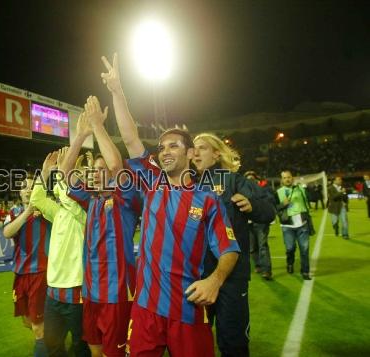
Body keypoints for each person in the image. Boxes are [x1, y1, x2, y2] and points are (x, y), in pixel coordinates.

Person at [101, 53, 240, 357]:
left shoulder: (207, 200)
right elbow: (130, 137)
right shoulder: (151, 182)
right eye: (162, 146)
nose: (164, 151)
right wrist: (117, 91)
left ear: (191, 153)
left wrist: (214, 280)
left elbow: (229, 249)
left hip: (188, 310)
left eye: (174, 146)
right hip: (146, 309)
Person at [65, 96, 141, 357]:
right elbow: (64, 175)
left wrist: (98, 126)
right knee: (96, 351)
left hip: (117, 294)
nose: (97, 172)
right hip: (91, 292)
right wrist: (81, 135)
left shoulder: (126, 197)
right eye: (94, 169)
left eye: (101, 169)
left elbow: (117, 165)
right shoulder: (91, 199)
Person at [192, 134, 276, 356]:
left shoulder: (233, 180)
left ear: (216, 153)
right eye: (194, 149)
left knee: (233, 342)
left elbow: (269, 212)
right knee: (194, 342)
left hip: (232, 277)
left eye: (202, 148)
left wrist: (252, 206)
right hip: (197, 277)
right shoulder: (187, 184)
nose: (196, 153)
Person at [30, 149, 90, 357]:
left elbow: (68, 197)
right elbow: (36, 200)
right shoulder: (58, 213)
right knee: (53, 345)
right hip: (53, 291)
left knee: (80, 346)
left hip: (77, 292)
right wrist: (45, 172)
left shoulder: (84, 212)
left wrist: (63, 172)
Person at [3, 175, 51, 357]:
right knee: (27, 320)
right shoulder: (14, 212)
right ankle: (53, 338)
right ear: (19, 191)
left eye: (32, 187)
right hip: (20, 274)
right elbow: (7, 232)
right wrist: (27, 212)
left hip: (40, 273)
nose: (28, 190)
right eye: (24, 187)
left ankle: (45, 346)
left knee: (38, 327)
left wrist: (36, 208)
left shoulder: (46, 210)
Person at [276, 170, 312, 280]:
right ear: (282, 180)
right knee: (290, 248)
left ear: (293, 178)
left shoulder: (300, 188)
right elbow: (274, 208)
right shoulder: (278, 192)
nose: (287, 179)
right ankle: (290, 263)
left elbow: (308, 200)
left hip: (302, 223)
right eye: (285, 177)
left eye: (289, 177)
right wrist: (283, 204)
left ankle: (305, 271)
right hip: (287, 226)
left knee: (304, 249)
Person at [244, 171, 275, 281]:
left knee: (263, 246)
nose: (250, 181)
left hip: (261, 222)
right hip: (248, 223)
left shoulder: (263, 190)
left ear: (256, 180)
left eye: (252, 179)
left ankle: (267, 270)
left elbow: (270, 201)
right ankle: (258, 265)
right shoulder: (242, 191)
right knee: (252, 248)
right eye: (248, 180)